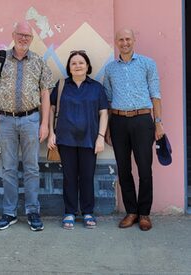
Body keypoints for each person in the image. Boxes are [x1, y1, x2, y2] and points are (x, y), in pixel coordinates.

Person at [0, 21, 54, 231]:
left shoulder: (39, 62)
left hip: (31, 120)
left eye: (28, 36)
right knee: (9, 168)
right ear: (13, 35)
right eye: (21, 34)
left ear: (32, 39)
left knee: (32, 168)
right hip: (5, 120)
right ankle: (9, 212)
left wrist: (44, 124)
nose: (24, 38)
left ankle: (33, 211)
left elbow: (45, 94)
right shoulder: (0, 58)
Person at [103, 28, 165, 231]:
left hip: (142, 121)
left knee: (145, 168)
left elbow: (155, 94)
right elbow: (109, 99)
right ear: (116, 42)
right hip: (119, 121)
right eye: (120, 39)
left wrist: (158, 122)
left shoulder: (147, 64)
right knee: (124, 168)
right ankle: (131, 211)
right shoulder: (110, 68)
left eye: (128, 39)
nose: (124, 42)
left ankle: (144, 213)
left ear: (134, 40)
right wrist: (109, 128)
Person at [48, 50, 108, 230]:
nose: (78, 66)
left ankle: (88, 212)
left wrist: (101, 137)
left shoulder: (97, 87)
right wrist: (51, 132)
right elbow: (51, 110)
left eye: (81, 62)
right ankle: (70, 212)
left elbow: (103, 113)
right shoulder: (61, 86)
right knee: (69, 177)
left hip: (90, 139)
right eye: (73, 63)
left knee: (87, 177)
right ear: (69, 67)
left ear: (88, 66)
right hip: (65, 139)